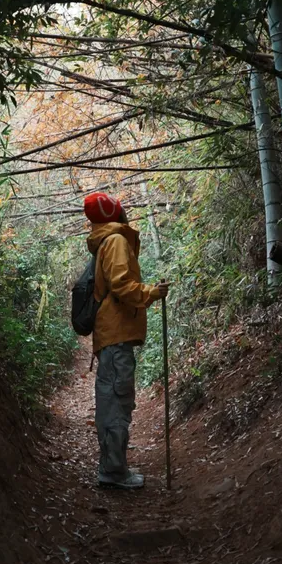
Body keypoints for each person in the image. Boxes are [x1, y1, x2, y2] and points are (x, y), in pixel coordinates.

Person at [84, 191, 169, 490]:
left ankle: (112, 467)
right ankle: (113, 472)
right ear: (115, 214)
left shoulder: (104, 241)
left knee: (113, 401)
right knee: (116, 402)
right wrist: (150, 293)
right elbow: (121, 285)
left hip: (112, 335)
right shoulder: (117, 240)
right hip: (116, 334)